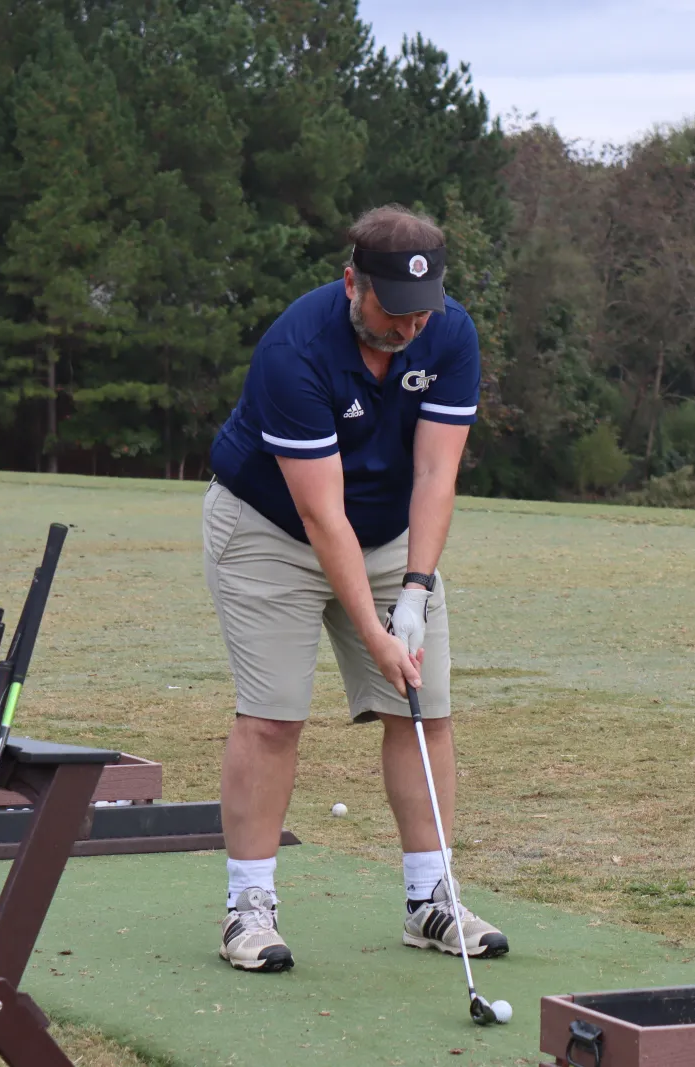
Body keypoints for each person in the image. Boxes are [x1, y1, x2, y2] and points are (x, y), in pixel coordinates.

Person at [203, 205, 508, 971]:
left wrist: (413, 591)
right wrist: (375, 633)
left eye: (421, 313)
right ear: (351, 282)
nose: (408, 328)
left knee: (422, 708)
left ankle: (430, 899)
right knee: (273, 716)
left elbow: (437, 473)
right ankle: (248, 908)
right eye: (391, 311)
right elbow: (320, 514)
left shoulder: (451, 334)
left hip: (388, 532)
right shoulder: (295, 350)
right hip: (271, 528)